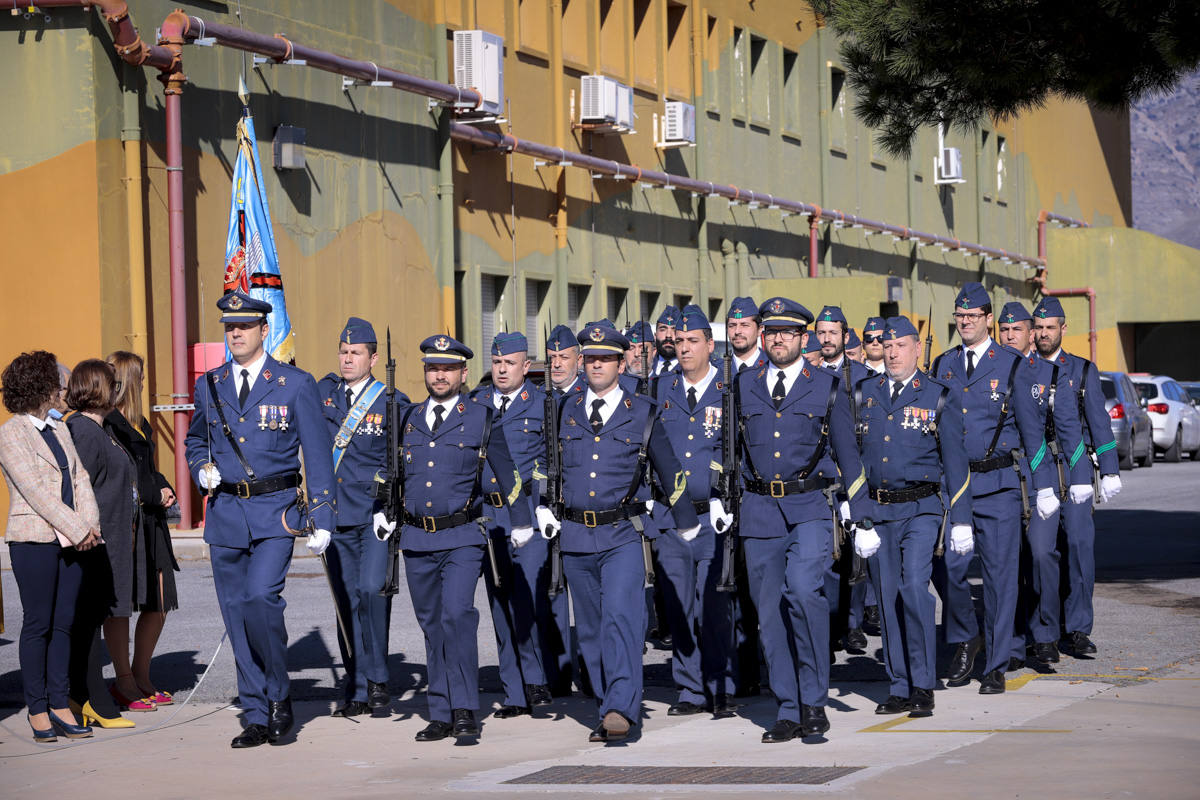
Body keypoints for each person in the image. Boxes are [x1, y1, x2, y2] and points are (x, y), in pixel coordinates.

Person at [184, 291, 336, 748]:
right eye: (230, 327)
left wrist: (324, 516)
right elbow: (195, 440)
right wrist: (199, 468)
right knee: (235, 615)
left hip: (276, 514)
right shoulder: (210, 384)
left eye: (244, 327)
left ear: (264, 330)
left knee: (260, 600)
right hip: (227, 513)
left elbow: (317, 452)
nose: (235, 334)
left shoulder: (294, 383)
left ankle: (278, 694)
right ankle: (254, 711)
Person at [535, 324, 700, 743]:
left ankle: (621, 708)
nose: (597, 365)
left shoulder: (642, 411)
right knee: (589, 632)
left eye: (606, 358)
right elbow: (544, 464)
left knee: (621, 620)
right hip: (574, 534)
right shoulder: (561, 409)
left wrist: (686, 521)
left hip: (622, 533)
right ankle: (606, 701)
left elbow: (669, 469)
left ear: (621, 362)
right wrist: (540, 506)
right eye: (591, 358)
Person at [374, 333, 533, 742]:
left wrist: (520, 520)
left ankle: (464, 709)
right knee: (431, 625)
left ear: (463, 373)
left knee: (457, 616)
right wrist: (382, 510)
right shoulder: (407, 417)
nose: (439, 375)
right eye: (433, 367)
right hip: (416, 538)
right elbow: (388, 471)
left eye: (447, 368)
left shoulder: (480, 416)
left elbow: (507, 470)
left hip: (463, 536)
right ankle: (440, 711)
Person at [735, 297, 869, 742]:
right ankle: (788, 708)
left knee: (804, 591)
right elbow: (730, 452)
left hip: (809, 509)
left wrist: (860, 513)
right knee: (770, 614)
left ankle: (814, 700)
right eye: (771, 332)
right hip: (757, 512)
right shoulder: (741, 384)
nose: (778, 340)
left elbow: (848, 454)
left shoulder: (827, 387)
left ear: (802, 338)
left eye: (787, 333)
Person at [931, 283, 1061, 694]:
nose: (965, 322)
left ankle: (996, 664)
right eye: (959, 316)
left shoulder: (1012, 364)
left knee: (1000, 579)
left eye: (972, 316)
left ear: (989, 319)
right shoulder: (943, 364)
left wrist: (1043, 486)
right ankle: (968, 635)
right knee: (949, 570)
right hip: (957, 488)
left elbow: (1032, 431)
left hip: (1001, 484)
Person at [854, 317, 971, 717]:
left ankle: (922, 684)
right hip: (878, 509)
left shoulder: (938, 395)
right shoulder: (864, 393)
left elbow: (955, 460)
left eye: (900, 345)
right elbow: (851, 455)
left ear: (916, 348)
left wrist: (962, 518)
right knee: (887, 598)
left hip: (921, 509)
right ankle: (899, 684)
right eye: (886, 346)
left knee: (912, 589)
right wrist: (853, 510)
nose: (892, 353)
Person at [0, 350, 101, 743]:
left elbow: (81, 480)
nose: (64, 388)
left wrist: (89, 525)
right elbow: (35, 492)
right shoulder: (11, 432)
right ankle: (38, 708)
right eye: (57, 382)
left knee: (65, 624)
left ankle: (61, 703)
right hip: (34, 541)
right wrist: (78, 528)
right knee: (39, 624)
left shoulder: (58, 429)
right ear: (39, 386)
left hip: (74, 539)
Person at [649, 307, 736, 716]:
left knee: (714, 604)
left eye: (692, 341)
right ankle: (689, 689)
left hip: (712, 515)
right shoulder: (658, 388)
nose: (684, 348)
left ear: (710, 345)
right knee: (679, 605)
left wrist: (727, 494)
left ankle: (721, 683)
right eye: (679, 341)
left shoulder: (729, 388)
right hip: (669, 516)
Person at [316, 317, 405, 718]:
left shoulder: (392, 402)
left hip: (373, 514)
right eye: (343, 351)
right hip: (335, 515)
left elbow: (402, 460)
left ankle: (378, 678)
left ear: (373, 357)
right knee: (346, 600)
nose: (348, 358)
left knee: (372, 591)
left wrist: (394, 508)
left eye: (356, 353)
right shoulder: (325, 395)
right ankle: (355, 683)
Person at [1032, 297, 1122, 657]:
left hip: (1077, 469)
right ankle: (1045, 631)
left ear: (1063, 329)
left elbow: (1099, 423)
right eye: (1038, 328)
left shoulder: (1082, 370)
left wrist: (1110, 468)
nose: (1042, 334)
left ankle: (1079, 629)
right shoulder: (1022, 371)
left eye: (1049, 328)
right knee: (1041, 554)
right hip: (1039, 469)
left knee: (1080, 548)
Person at [471, 331, 553, 718]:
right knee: (499, 601)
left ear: (526, 367)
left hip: (527, 514)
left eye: (509, 363)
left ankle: (537, 681)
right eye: (497, 362)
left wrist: (545, 504)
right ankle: (515, 692)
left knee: (526, 598)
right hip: (489, 514)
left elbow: (554, 459)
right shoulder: (476, 403)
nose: (502, 369)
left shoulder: (543, 404)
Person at [64, 360, 140, 729]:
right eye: (112, 385)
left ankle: (81, 697)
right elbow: (79, 490)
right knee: (89, 621)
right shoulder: (84, 431)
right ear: (98, 388)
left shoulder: (101, 428)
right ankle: (94, 700)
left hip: (109, 537)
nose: (118, 391)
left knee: (94, 618)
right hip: (94, 541)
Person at [105, 350, 180, 711]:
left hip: (152, 524)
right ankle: (123, 682)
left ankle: (141, 675)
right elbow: (126, 478)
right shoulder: (108, 424)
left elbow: (148, 469)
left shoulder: (139, 423)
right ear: (130, 381)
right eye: (142, 376)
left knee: (159, 602)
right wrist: (155, 491)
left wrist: (166, 487)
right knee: (119, 607)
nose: (146, 382)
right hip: (127, 525)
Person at [814, 305, 877, 652]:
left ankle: (853, 623)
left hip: (854, 473)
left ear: (844, 334)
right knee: (827, 554)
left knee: (856, 556)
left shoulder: (865, 377)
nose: (826, 338)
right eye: (821, 332)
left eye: (832, 332)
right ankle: (831, 622)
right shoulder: (808, 376)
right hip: (824, 477)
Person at [726, 297, 768, 373]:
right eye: (732, 325)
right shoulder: (717, 369)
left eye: (744, 325)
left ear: (759, 329)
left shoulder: (772, 366)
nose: (737, 331)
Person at [546, 324, 584, 397]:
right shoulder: (535, 396)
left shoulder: (589, 393)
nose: (557, 364)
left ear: (579, 360)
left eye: (564, 357)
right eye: (551, 357)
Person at [651, 306, 680, 376]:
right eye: (663, 329)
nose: (668, 335)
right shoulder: (646, 367)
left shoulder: (689, 370)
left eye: (674, 330)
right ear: (655, 336)